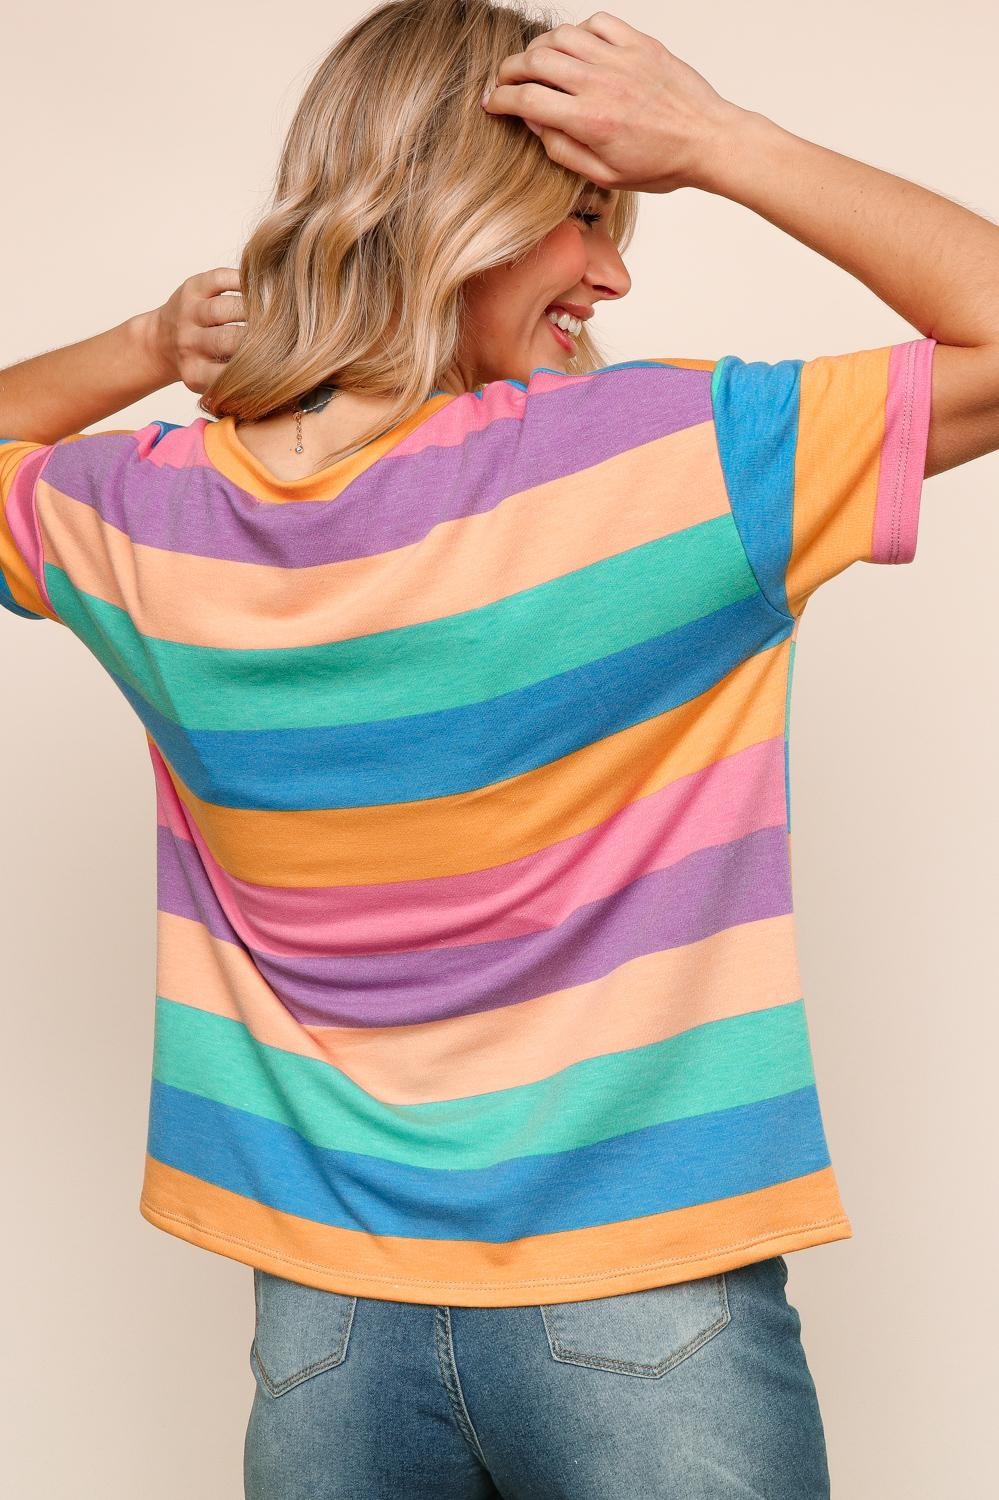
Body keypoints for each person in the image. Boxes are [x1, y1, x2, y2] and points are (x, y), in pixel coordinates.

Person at [1, 1, 996, 1496]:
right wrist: (720, 141)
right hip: (648, 1300)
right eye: (584, 217)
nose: (614, 270)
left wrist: (146, 344)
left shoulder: (153, 516)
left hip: (323, 1328)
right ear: (456, 213)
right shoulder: (669, 465)